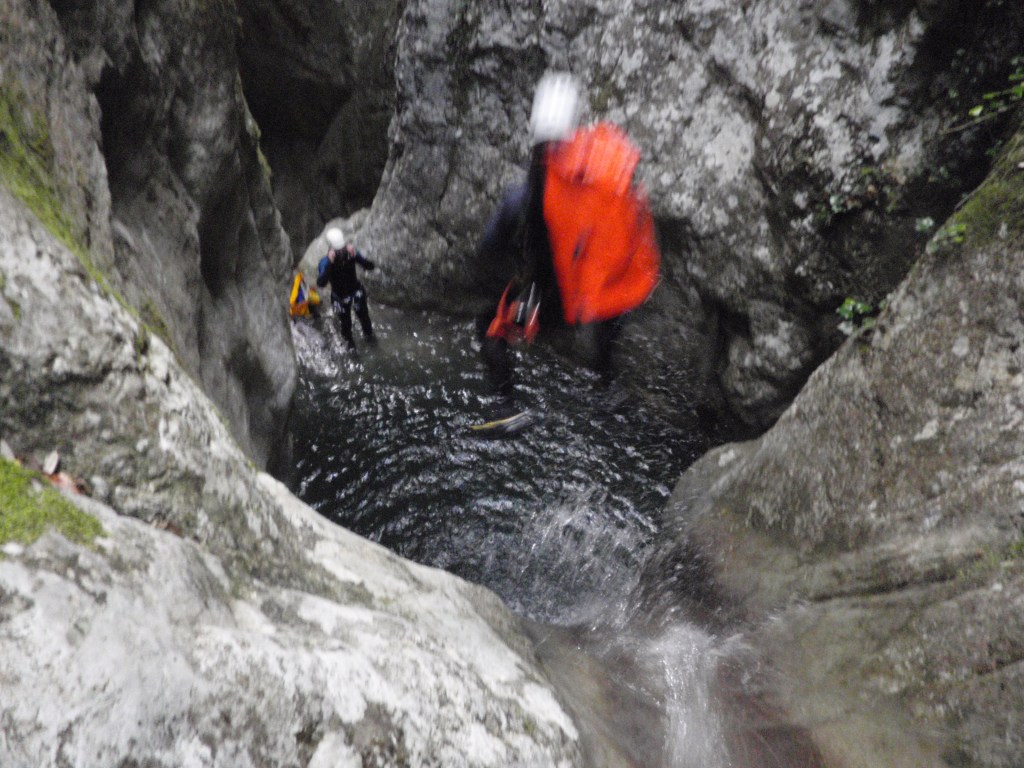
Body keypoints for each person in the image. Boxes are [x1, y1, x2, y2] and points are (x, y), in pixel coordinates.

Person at [475, 72, 659, 415]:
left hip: (556, 293)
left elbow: (496, 241)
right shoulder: (611, 162)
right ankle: (605, 385)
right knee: (608, 329)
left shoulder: (538, 187)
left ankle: (506, 407)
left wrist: (499, 267)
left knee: (488, 328)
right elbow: (635, 230)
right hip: (606, 293)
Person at [317, 227, 377, 350]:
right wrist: (329, 262)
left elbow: (370, 266)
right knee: (346, 328)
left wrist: (357, 257)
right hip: (339, 297)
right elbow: (321, 283)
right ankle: (352, 352)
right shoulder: (325, 262)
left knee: (365, 320)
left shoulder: (351, 254)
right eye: (338, 250)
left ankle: (372, 344)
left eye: (343, 249)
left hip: (356, 292)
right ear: (331, 249)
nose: (341, 253)